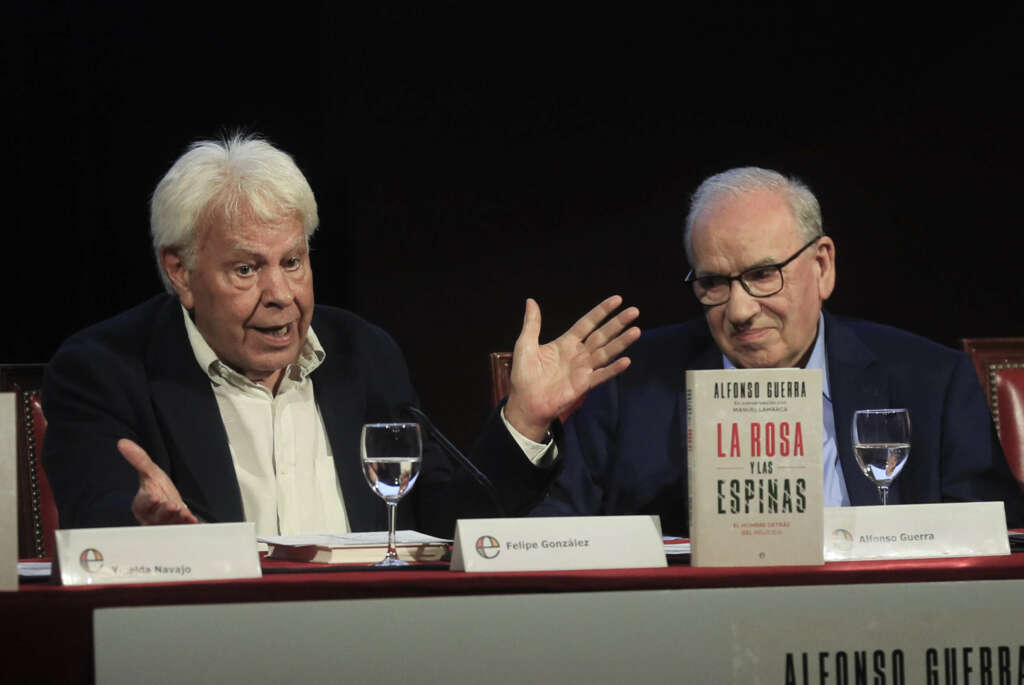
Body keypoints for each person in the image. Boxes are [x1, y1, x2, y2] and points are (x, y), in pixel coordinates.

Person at [41, 134, 639, 537]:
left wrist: (524, 421)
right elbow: (99, 525)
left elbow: (441, 527)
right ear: (181, 272)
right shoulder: (106, 369)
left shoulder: (364, 355)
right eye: (247, 269)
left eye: (294, 261)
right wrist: (148, 540)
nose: (281, 293)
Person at [491, 166, 1024, 533]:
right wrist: (524, 422)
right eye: (714, 284)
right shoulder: (631, 385)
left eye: (763, 274)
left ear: (822, 266)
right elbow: (543, 537)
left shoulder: (933, 383)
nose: (740, 310)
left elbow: (995, 542)